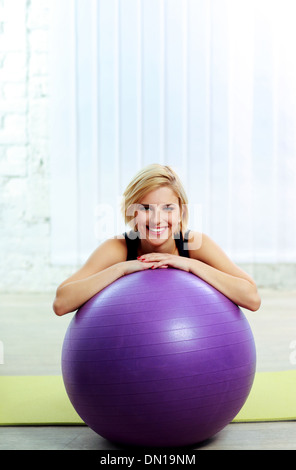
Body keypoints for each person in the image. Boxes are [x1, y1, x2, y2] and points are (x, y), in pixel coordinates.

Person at [53, 164, 261, 316]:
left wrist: (190, 265)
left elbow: (252, 298)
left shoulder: (195, 244)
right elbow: (61, 303)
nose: (156, 219)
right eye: (145, 208)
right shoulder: (118, 248)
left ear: (181, 211)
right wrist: (122, 269)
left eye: (168, 208)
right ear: (131, 212)